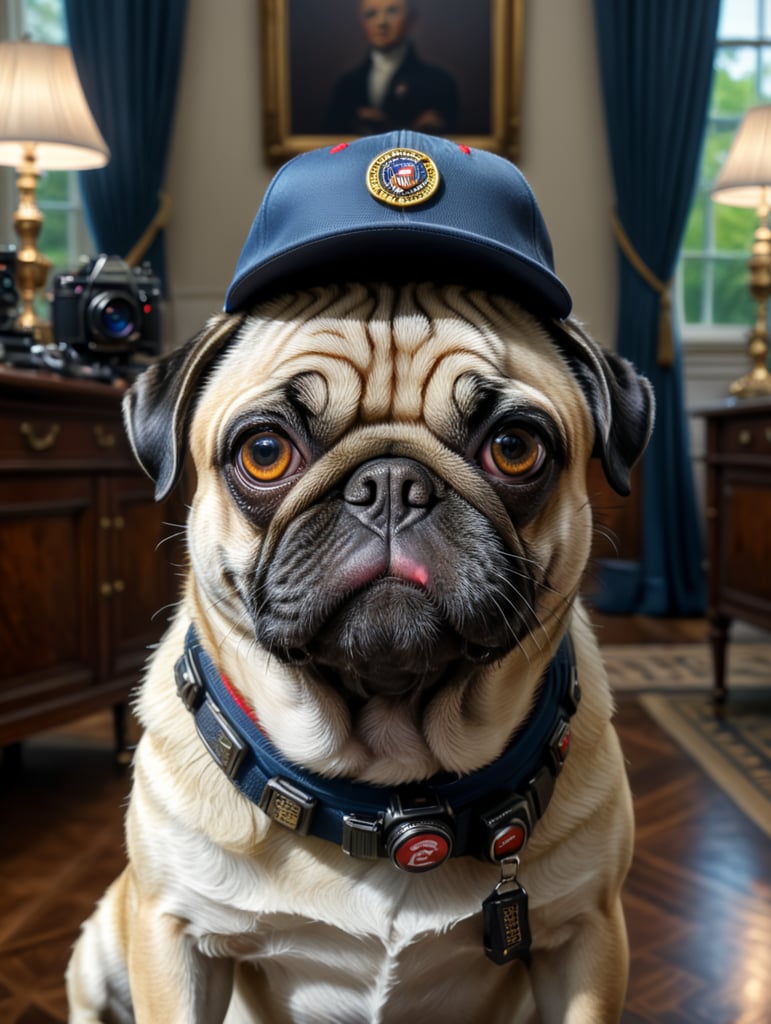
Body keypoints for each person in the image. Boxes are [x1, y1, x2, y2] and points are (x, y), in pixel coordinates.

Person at [324, 0, 458, 136]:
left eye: (392, 11)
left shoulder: (439, 83)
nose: (381, 22)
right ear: (361, 22)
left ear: (412, 19)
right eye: (371, 14)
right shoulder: (346, 85)